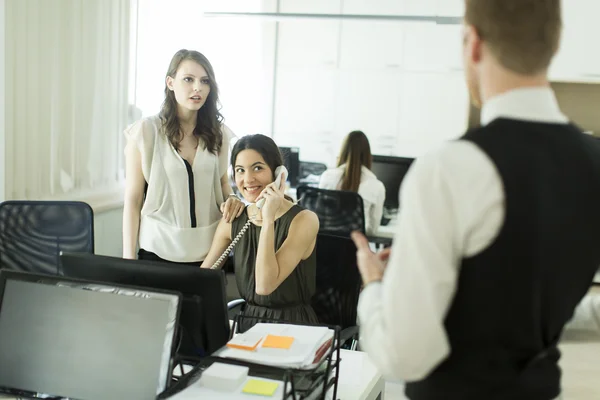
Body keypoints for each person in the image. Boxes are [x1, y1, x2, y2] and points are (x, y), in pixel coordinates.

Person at [351, 1, 600, 399]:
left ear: (473, 43)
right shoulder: (593, 162)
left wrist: (374, 287)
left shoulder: (450, 167)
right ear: (554, 44)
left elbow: (404, 356)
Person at [123, 49, 245, 265]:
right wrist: (128, 259)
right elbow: (133, 200)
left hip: (209, 253)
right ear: (170, 83)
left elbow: (222, 183)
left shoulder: (219, 134)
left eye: (204, 81)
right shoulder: (145, 132)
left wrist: (234, 199)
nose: (197, 87)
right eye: (188, 79)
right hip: (156, 250)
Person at [201, 134, 320, 326]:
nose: (248, 179)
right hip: (248, 323)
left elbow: (265, 286)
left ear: (277, 173)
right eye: (240, 170)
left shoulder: (304, 220)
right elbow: (204, 276)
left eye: (257, 168)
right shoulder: (234, 219)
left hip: (292, 326)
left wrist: (268, 217)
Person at [319, 130, 385, 235]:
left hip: (323, 247)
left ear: (343, 152)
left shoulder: (327, 176)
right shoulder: (377, 186)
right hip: (353, 249)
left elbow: (320, 218)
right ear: (368, 155)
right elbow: (372, 231)